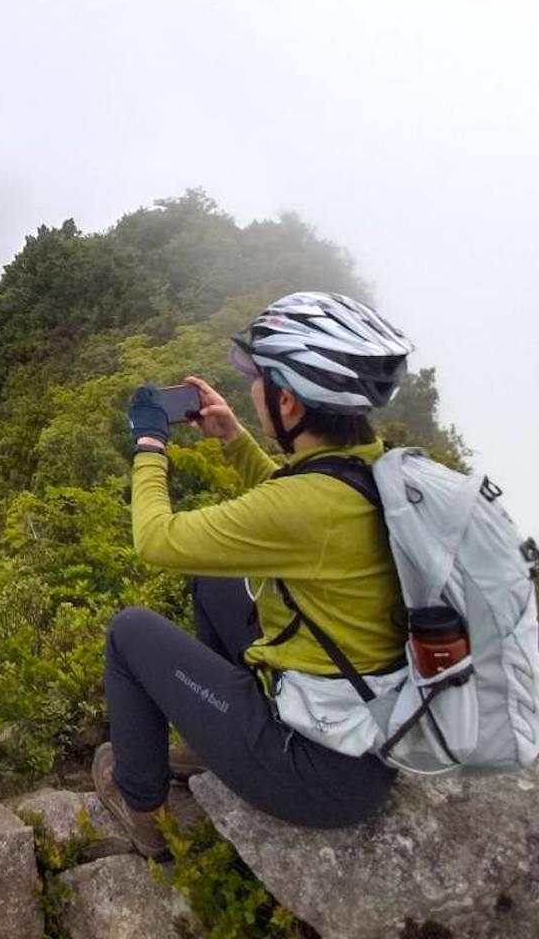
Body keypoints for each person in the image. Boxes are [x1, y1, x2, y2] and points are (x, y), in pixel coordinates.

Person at [91, 290, 415, 858]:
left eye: (260, 379)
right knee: (217, 580)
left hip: (316, 771)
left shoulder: (310, 505)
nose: (252, 387)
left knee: (129, 633)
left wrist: (149, 442)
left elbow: (155, 539)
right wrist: (235, 440)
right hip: (363, 727)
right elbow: (300, 509)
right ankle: (210, 738)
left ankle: (143, 809)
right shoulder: (374, 469)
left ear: (288, 403)